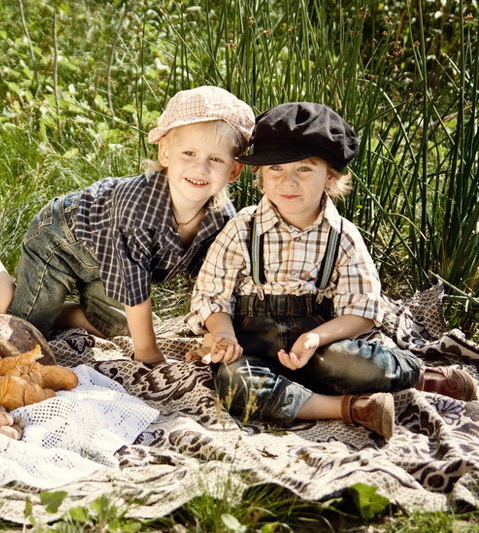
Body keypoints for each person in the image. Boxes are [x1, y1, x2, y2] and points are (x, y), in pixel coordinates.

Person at [186, 102, 477, 438]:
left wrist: (315, 337)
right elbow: (212, 296)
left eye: (305, 170)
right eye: (276, 169)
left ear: (331, 177)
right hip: (254, 349)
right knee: (232, 382)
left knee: (355, 364)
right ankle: (352, 408)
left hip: (321, 350)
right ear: (260, 173)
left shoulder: (342, 237)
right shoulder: (242, 229)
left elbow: (363, 310)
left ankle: (422, 377)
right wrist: (224, 335)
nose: (288, 182)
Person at [0, 86, 255, 365]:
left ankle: (49, 308)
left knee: (122, 329)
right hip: (63, 239)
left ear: (234, 171)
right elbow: (133, 288)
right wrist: (150, 354)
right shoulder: (144, 209)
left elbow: (212, 284)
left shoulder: (221, 217)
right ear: (165, 151)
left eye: (215, 159)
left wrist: (217, 334)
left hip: (105, 266)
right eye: (189, 154)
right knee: (20, 326)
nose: (200, 169)